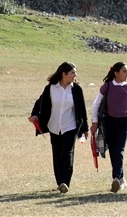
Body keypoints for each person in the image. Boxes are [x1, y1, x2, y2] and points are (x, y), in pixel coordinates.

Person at [30, 62, 89, 194]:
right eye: (73, 72)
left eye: (75, 72)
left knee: (67, 153)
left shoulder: (76, 90)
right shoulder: (51, 88)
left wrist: (85, 129)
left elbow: (82, 110)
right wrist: (34, 115)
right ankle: (59, 182)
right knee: (57, 155)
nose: (75, 75)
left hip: (71, 126)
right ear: (64, 74)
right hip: (54, 126)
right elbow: (40, 102)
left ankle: (65, 182)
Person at [90, 62, 127, 193]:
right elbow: (96, 104)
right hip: (109, 122)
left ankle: (115, 178)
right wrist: (94, 122)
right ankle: (121, 179)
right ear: (116, 73)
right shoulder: (107, 87)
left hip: (123, 123)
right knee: (113, 152)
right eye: (124, 71)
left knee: (119, 151)